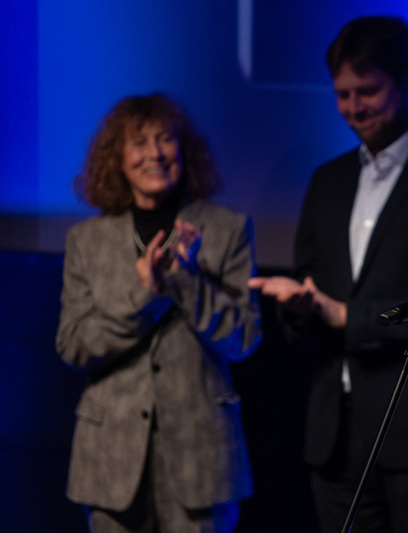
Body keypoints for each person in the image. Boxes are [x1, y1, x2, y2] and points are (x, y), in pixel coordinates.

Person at [248, 16, 408, 533]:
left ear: (407, 82)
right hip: (335, 436)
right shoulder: (328, 181)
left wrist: (347, 316)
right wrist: (300, 311)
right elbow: (312, 290)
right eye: (343, 94)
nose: (353, 107)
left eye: (367, 91)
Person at [56, 94, 262, 533]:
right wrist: (148, 294)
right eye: (139, 142)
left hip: (202, 461)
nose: (154, 153)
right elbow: (73, 345)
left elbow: (243, 338)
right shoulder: (87, 241)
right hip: (109, 460)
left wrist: (184, 280)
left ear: (184, 150)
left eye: (165, 139)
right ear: (117, 158)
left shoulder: (226, 229)